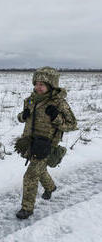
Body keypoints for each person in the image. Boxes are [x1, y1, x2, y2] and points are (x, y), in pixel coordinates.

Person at [14, 66, 77, 219]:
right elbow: (21, 118)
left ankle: (27, 209)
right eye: (36, 83)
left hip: (46, 145)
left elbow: (72, 125)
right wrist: (23, 115)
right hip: (30, 142)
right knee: (39, 169)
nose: (38, 87)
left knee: (30, 176)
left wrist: (56, 117)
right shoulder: (30, 100)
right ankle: (51, 187)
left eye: (42, 84)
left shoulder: (58, 103)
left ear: (51, 85)